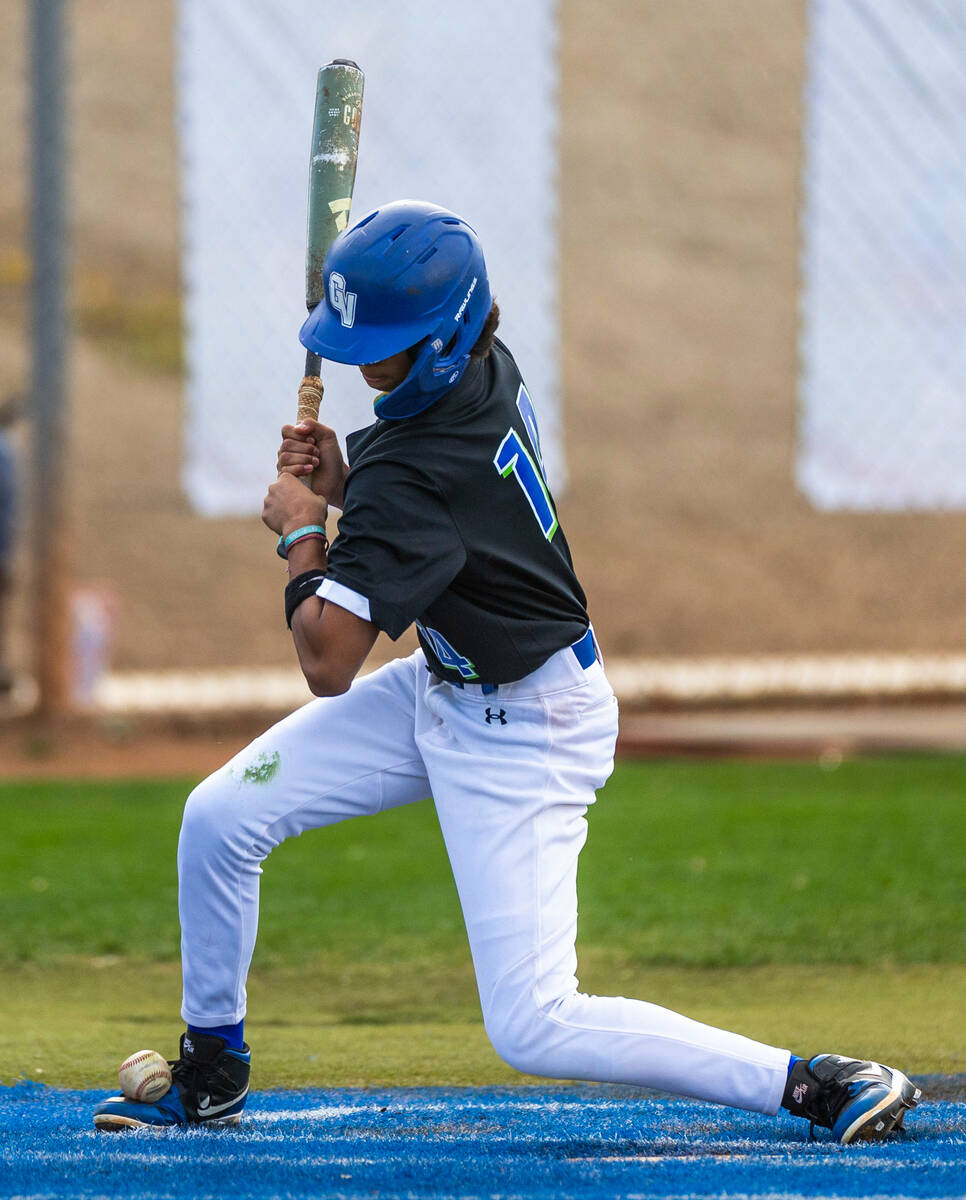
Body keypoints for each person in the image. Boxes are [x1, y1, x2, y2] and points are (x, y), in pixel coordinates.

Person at [94, 200, 920, 1141]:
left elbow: (325, 659)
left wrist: (301, 528)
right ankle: (213, 1071)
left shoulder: (412, 476)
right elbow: (426, 482)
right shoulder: (486, 366)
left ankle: (816, 1083)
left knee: (533, 1021)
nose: (369, 366)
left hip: (529, 728)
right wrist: (349, 473)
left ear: (446, 340)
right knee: (220, 818)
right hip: (448, 686)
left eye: (393, 351)